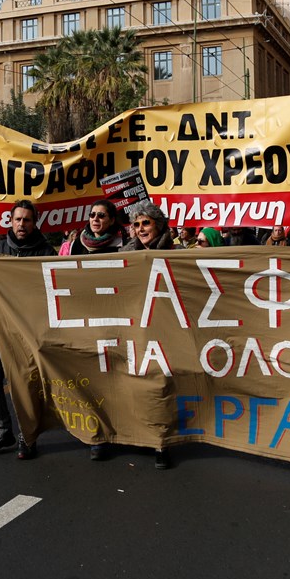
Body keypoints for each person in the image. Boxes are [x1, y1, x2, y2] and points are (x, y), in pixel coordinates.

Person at [0, 199, 53, 460]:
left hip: (30, 329)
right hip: (1, 325)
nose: (21, 224)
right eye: (17, 219)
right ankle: (1, 429)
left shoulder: (45, 252)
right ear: (10, 220)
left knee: (24, 383)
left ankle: (26, 435)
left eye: (27, 220)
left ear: (34, 223)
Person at [122, 200, 177, 469]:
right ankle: (142, 433)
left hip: (167, 329)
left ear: (159, 224)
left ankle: (161, 442)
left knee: (161, 385)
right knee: (139, 383)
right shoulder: (124, 255)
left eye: (146, 223)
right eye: (137, 224)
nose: (141, 228)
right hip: (136, 329)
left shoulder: (177, 254)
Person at [67, 199, 124, 460]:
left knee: (115, 378)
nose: (95, 219)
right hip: (85, 320)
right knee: (92, 378)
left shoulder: (125, 245)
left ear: (111, 219)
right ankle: (97, 435)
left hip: (116, 321)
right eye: (92, 215)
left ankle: (122, 427)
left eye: (101, 215)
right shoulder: (76, 244)